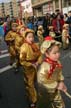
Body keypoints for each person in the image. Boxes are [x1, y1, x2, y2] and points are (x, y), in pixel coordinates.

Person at [37, 36, 67, 108]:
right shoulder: (44, 68)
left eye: (58, 52)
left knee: (60, 105)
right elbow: (42, 82)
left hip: (55, 90)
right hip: (46, 93)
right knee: (46, 105)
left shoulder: (57, 62)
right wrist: (56, 85)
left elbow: (59, 73)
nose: (58, 54)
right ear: (47, 54)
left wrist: (61, 82)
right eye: (55, 53)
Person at [19, 29, 42, 108]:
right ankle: (33, 100)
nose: (31, 39)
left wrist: (38, 62)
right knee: (30, 85)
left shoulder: (35, 45)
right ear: (25, 38)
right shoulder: (23, 47)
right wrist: (30, 64)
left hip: (36, 67)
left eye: (32, 37)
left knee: (36, 82)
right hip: (28, 69)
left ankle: (35, 94)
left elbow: (40, 55)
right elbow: (22, 61)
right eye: (29, 37)